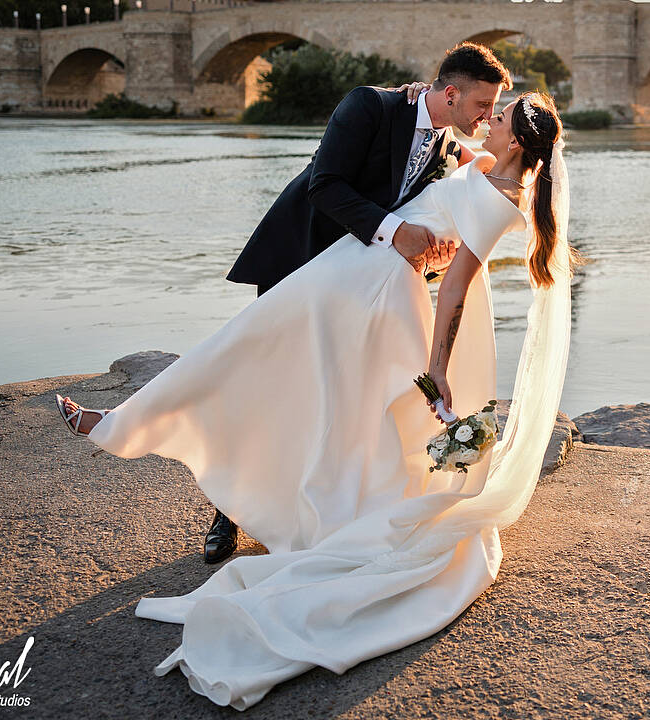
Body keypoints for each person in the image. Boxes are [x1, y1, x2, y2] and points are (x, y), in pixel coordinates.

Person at [54, 90, 574, 710]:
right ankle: (127, 425)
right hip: (357, 271)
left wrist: (437, 367)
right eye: (490, 107)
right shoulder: (491, 167)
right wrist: (426, 109)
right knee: (257, 354)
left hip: (376, 293)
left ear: (517, 142)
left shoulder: (502, 196)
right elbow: (450, 165)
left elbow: (458, 280)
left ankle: (121, 426)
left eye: (502, 116)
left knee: (261, 355)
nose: (489, 119)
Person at [194, 42, 509, 563]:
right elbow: (326, 186)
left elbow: (458, 187)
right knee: (269, 388)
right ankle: (226, 515)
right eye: (481, 105)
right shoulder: (368, 105)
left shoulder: (447, 147)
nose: (487, 115)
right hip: (298, 263)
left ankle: (294, 508)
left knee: (325, 397)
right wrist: (398, 231)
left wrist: (432, 243)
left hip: (352, 286)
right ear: (450, 93)